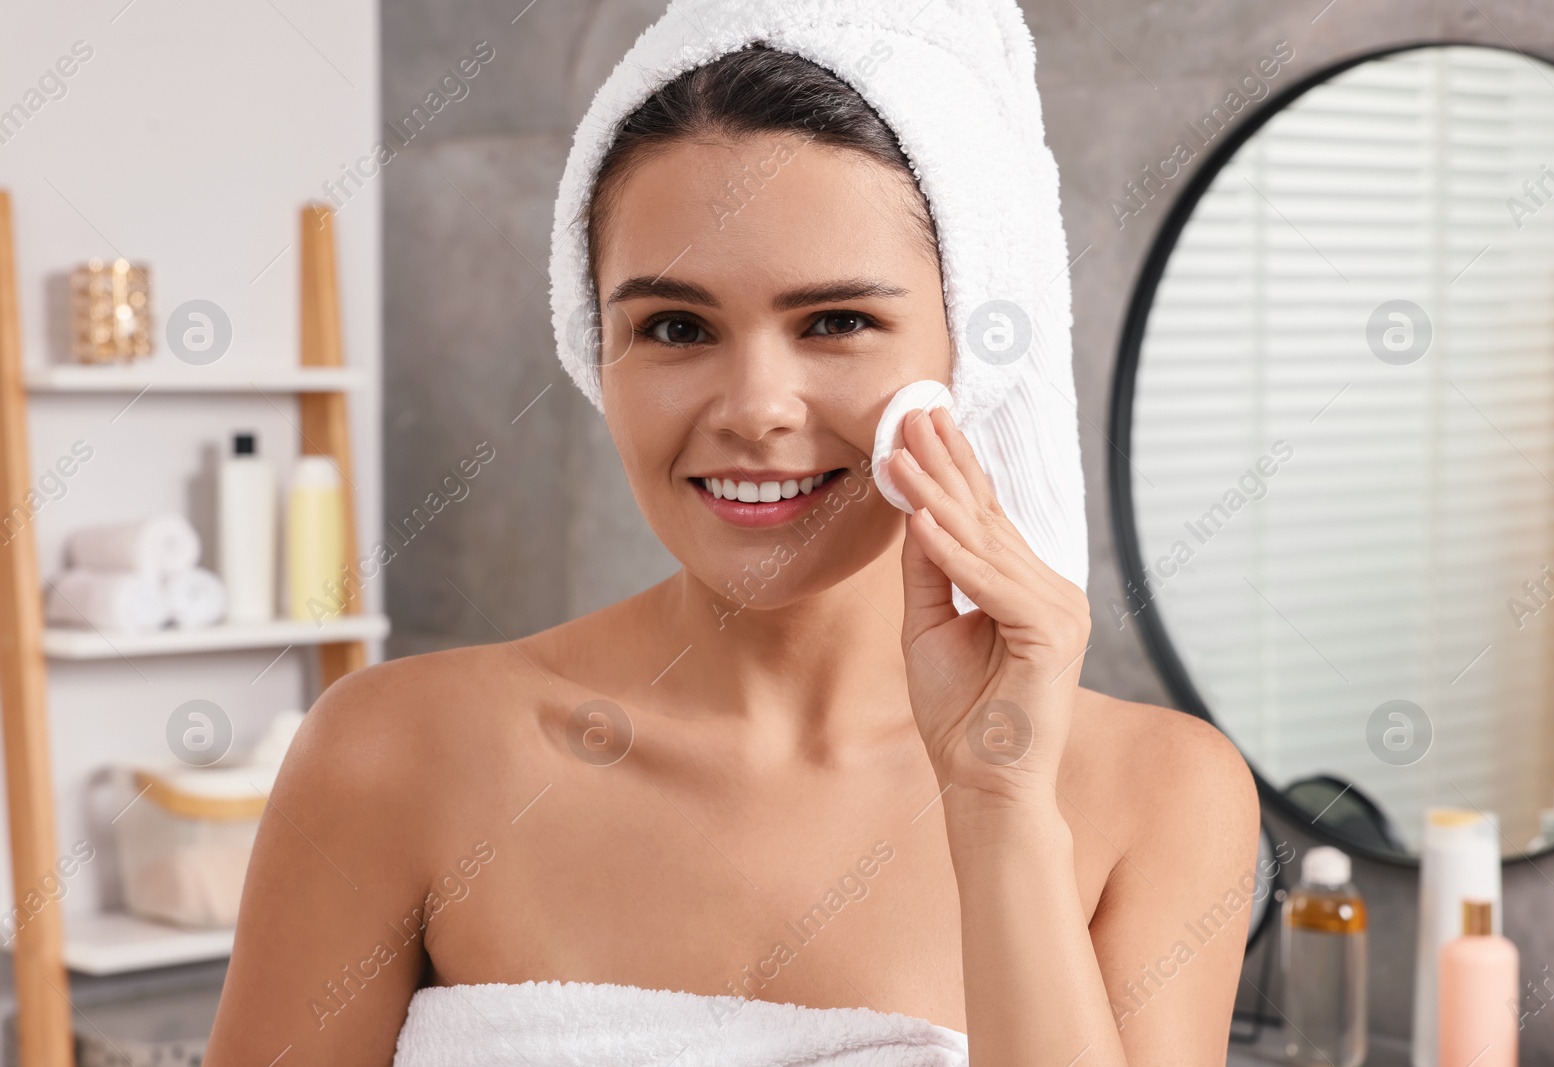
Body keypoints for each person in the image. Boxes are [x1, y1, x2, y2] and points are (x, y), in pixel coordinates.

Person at [204, 22, 1258, 1067]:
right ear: (595, 348)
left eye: (835, 320)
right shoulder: (394, 753)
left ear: (970, 347)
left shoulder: (1156, 794)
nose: (754, 409)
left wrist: (998, 808)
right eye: (675, 327)